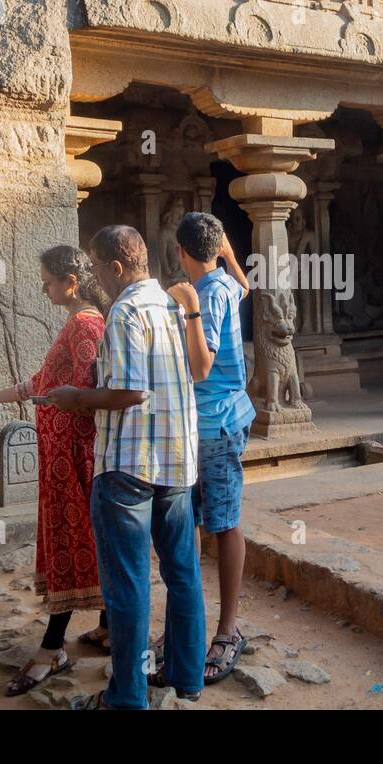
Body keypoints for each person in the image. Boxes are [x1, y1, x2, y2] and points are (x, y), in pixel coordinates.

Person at [49, 225, 206, 710]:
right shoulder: (170, 304)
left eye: (97, 267)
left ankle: (127, 697)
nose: (96, 276)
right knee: (183, 573)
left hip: (129, 468)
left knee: (128, 585)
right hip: (178, 461)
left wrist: (77, 398)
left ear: (116, 267)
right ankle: (187, 675)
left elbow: (131, 392)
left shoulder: (125, 310)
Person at [0, 246, 109, 695]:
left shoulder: (86, 325)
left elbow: (80, 393)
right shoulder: (78, 323)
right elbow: (39, 384)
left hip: (74, 453)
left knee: (73, 538)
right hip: (61, 451)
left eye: (47, 281)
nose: (43, 288)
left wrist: (53, 401)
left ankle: (51, 648)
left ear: (71, 282)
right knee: (85, 536)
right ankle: (108, 625)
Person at [167, 211, 254, 684]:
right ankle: (193, 622)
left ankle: (227, 629)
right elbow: (244, 289)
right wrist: (232, 258)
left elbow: (202, 366)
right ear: (217, 248)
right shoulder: (224, 283)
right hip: (207, 423)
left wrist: (189, 309)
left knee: (222, 522)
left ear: (180, 252)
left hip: (215, 424)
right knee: (198, 520)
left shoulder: (203, 295)